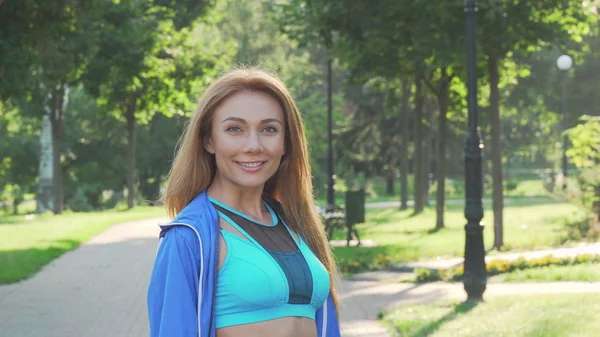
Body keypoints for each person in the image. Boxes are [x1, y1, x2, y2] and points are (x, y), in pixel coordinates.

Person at [147, 67, 342, 337]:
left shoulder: (296, 224)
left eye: (269, 129)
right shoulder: (188, 238)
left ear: (286, 142)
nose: (253, 145)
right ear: (208, 140)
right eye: (235, 129)